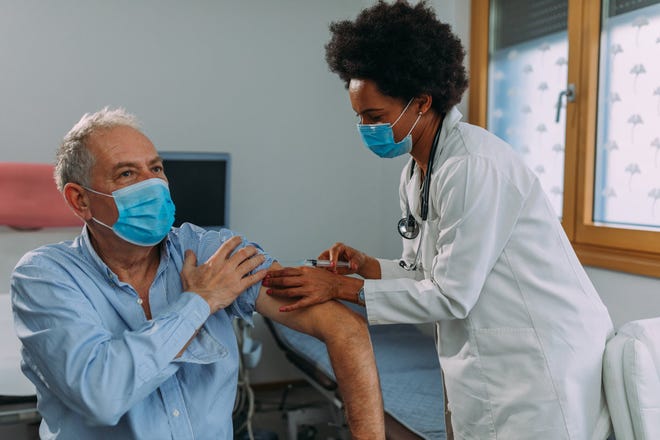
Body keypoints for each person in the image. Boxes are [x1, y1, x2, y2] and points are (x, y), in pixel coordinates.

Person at [263, 2, 615, 439]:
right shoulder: (417, 171)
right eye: (358, 116)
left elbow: (450, 295)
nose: (364, 127)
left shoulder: (473, 167)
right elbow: (423, 272)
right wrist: (365, 266)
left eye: (373, 116)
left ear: (422, 102)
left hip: (538, 364)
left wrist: (338, 288)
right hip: (488, 363)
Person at [10, 107, 385, 440]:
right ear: (81, 200)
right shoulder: (46, 277)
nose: (152, 184)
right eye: (127, 173)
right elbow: (102, 396)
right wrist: (199, 302)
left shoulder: (210, 252)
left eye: (155, 168)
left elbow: (344, 329)